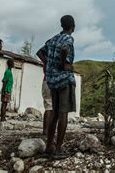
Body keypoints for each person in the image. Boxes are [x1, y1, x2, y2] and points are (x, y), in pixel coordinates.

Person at [37, 15, 76, 159]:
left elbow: (40, 52)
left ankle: (48, 147)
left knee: (54, 113)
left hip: (52, 80)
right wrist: (63, 62)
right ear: (73, 26)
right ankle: (58, 149)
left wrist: (49, 65)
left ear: (61, 25)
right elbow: (65, 49)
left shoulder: (53, 39)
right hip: (64, 80)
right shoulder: (68, 38)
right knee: (63, 114)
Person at [36, 50, 54, 136]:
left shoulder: (47, 60)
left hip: (46, 81)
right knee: (52, 107)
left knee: (48, 106)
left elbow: (45, 71)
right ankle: (48, 130)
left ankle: (46, 130)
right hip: (53, 82)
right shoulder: (56, 59)